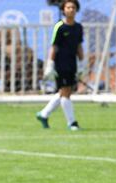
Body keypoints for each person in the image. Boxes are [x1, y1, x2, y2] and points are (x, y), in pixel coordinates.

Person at [36, 0, 84, 131]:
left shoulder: (78, 27)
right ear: (64, 9)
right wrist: (50, 64)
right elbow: (54, 46)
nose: (71, 9)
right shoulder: (60, 26)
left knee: (65, 91)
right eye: (68, 7)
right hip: (60, 63)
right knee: (66, 92)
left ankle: (43, 114)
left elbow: (79, 46)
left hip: (72, 63)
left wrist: (82, 63)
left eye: (73, 7)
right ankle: (72, 123)